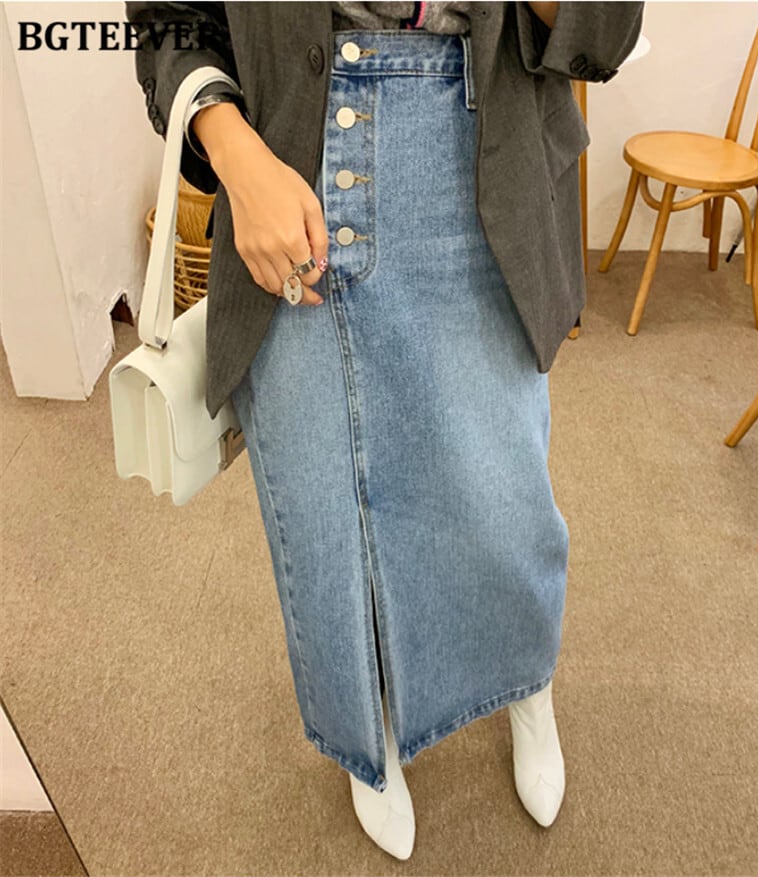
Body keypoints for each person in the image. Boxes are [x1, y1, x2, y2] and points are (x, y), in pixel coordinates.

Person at [126, 1, 644, 861]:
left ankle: (525, 679)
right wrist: (236, 155)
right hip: (287, 166)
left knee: (500, 495)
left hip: (482, 150)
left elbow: (608, 28)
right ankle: (367, 739)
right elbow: (169, 18)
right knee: (325, 513)